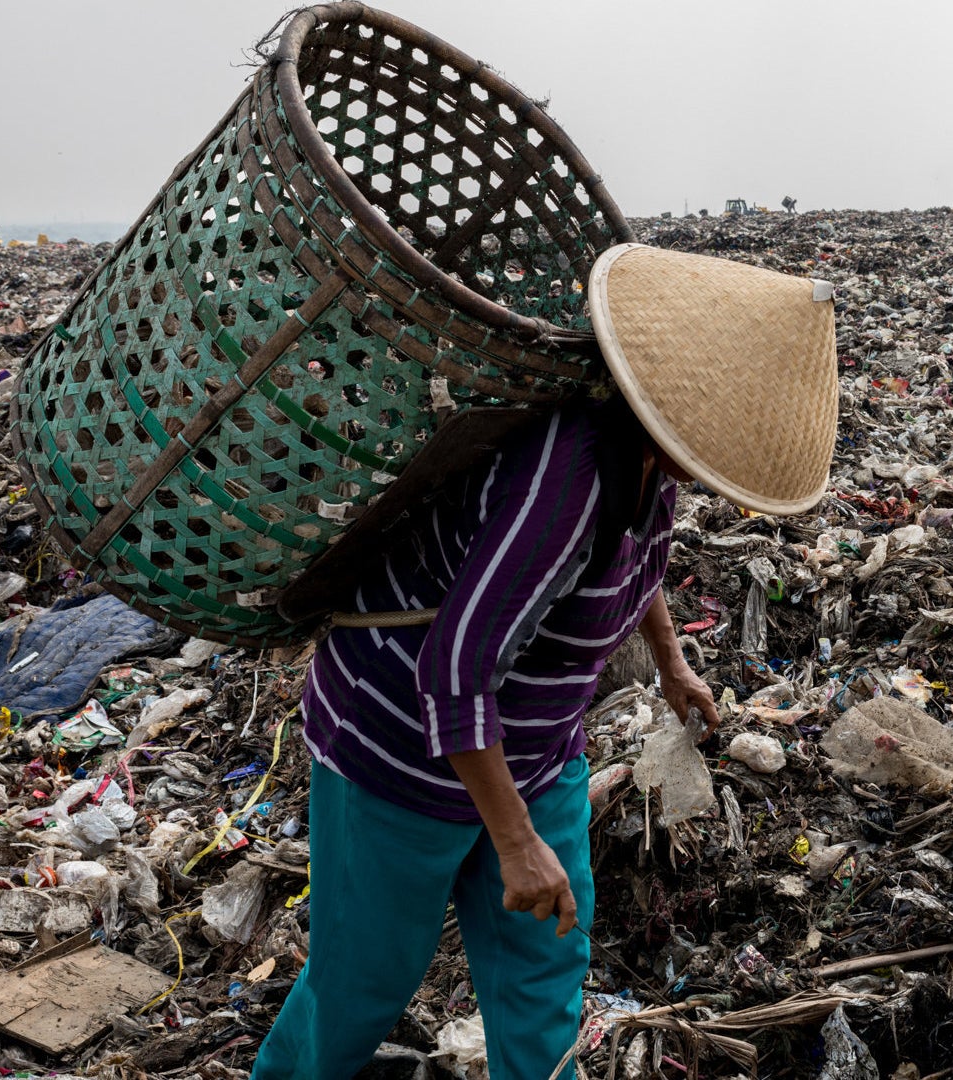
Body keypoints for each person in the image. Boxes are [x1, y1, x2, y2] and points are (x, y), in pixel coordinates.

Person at [252, 243, 839, 1080]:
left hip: (535, 751)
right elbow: (453, 674)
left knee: (547, 965)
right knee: (361, 982)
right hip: (397, 757)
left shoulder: (648, 464)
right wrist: (516, 842)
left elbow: (637, 563)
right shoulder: (560, 485)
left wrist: (672, 664)